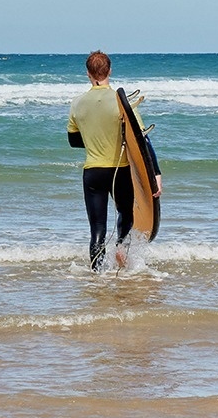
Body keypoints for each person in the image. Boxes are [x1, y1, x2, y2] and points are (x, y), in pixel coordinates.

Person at [67, 50, 162, 272]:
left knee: (97, 228)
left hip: (93, 172)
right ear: (109, 70)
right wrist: (155, 175)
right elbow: (141, 140)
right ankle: (122, 254)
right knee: (126, 216)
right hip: (121, 171)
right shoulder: (122, 103)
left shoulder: (77, 103)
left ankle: (97, 276)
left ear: (88, 73)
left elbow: (73, 140)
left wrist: (95, 140)